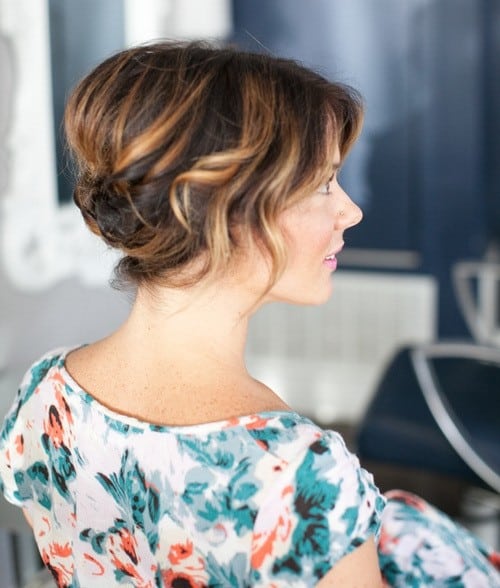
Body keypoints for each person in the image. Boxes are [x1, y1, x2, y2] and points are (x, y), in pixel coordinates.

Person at [0, 41, 498, 588]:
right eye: (323, 184)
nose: (350, 211)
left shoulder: (45, 396)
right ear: (226, 212)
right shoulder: (295, 474)